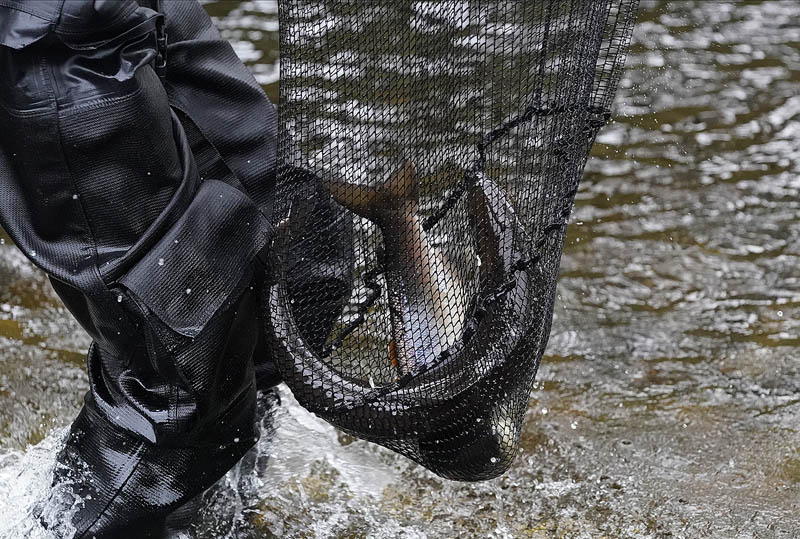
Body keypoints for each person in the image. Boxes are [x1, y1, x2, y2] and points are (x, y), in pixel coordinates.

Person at [0, 1, 352, 537]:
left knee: (295, 257)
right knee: (176, 392)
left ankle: (224, 520)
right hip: (40, 36)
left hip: (134, 10)